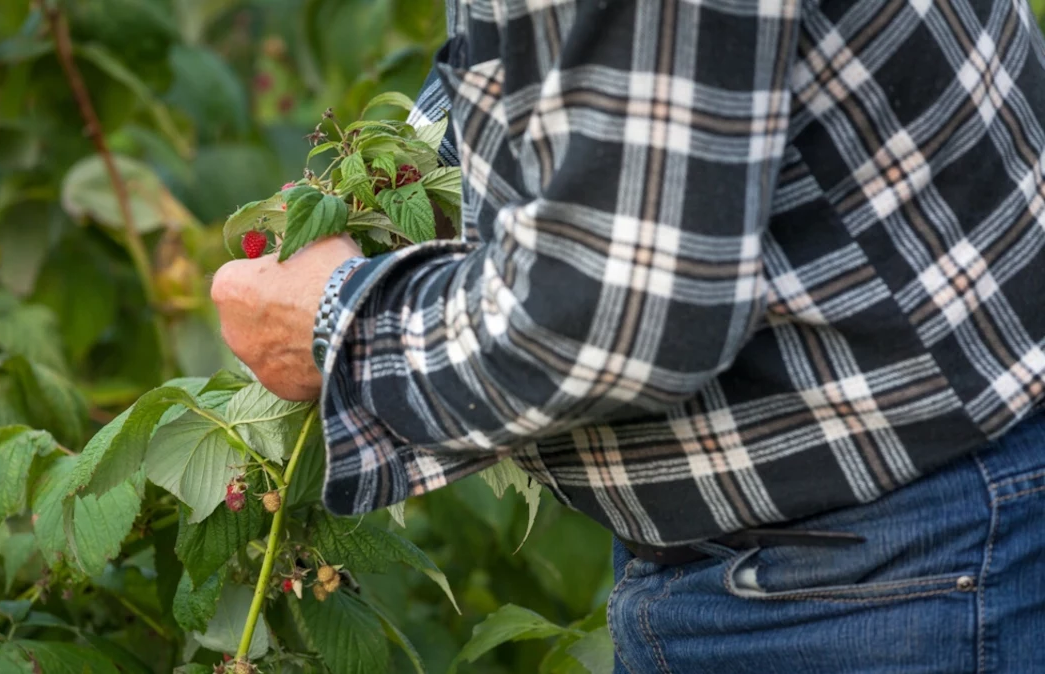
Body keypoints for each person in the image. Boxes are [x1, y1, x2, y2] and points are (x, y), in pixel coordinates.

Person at [210, 0, 1045, 669]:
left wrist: (337, 322)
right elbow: (580, 68)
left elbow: (614, 317)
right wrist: (407, 167)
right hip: (873, 540)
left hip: (882, 577)